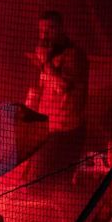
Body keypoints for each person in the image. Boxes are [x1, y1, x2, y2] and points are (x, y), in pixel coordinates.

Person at [25, 10, 89, 184]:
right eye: (41, 30)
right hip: (47, 130)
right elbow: (37, 89)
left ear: (61, 29)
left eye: (50, 29)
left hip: (65, 133)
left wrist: (45, 63)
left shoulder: (73, 55)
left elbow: (62, 87)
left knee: (44, 183)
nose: (44, 35)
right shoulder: (48, 57)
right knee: (32, 179)